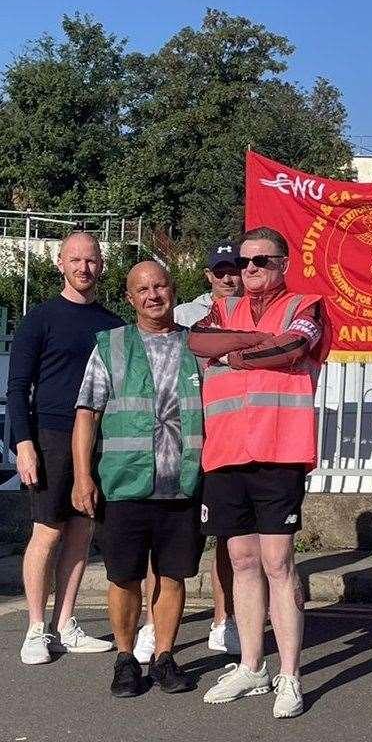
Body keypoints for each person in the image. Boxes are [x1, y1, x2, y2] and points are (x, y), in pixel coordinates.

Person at [190, 227, 330, 719]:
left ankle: (289, 674)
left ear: (283, 263)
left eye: (261, 261)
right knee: (242, 560)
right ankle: (252, 665)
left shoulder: (306, 305)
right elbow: (198, 342)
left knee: (278, 562)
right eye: (243, 263)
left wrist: (235, 352)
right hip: (227, 452)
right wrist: (251, 342)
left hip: (279, 449)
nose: (248, 270)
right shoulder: (219, 310)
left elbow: (293, 347)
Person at [69, 261, 203, 697]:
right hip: (125, 482)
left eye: (160, 285)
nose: (153, 295)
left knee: (173, 575)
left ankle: (164, 656)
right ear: (129, 298)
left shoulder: (197, 345)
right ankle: (126, 659)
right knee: (123, 576)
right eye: (142, 289)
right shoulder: (111, 346)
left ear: (173, 289)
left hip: (181, 482)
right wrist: (82, 476)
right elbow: (87, 415)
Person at [10, 231, 121, 664]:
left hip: (97, 438)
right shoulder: (40, 319)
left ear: (101, 265)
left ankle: (65, 625)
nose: (83, 268)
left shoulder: (114, 325)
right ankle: (36, 628)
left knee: (82, 531)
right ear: (60, 263)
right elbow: (18, 386)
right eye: (75, 260)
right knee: (47, 532)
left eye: (91, 260)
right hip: (50, 436)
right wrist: (23, 444)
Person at [171, 239, 242, 654]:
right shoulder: (184, 317)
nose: (228, 278)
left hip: (227, 432)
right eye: (220, 271)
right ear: (208, 275)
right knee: (170, 534)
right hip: (184, 435)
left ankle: (224, 620)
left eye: (234, 269)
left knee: (226, 536)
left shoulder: (252, 312)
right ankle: (155, 624)